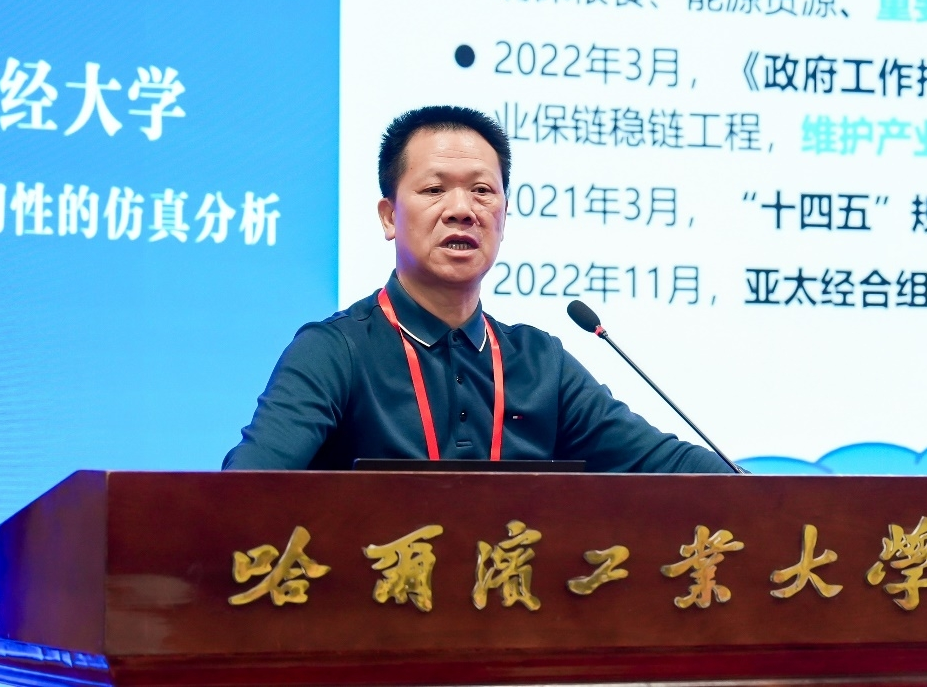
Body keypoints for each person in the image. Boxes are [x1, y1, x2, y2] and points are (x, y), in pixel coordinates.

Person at [222, 105, 731, 473]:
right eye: (434, 189)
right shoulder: (336, 351)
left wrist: (763, 494)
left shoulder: (540, 363)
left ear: (504, 215)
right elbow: (245, 490)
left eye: (483, 190)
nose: (463, 209)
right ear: (389, 217)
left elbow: (662, 462)